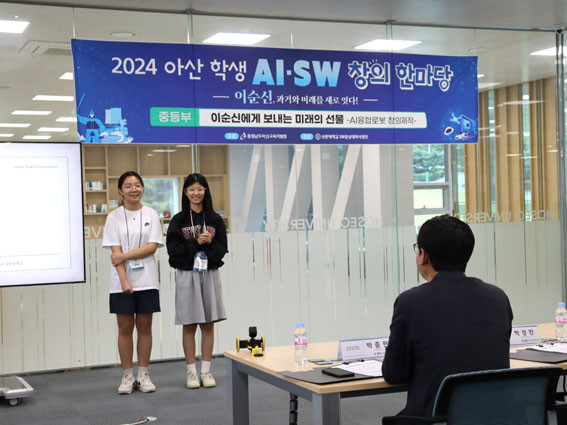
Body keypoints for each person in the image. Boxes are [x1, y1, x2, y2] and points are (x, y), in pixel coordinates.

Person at [381, 215, 513, 423]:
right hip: (491, 417)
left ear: (423, 255)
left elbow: (394, 374)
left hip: (436, 419)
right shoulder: (497, 297)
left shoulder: (411, 302)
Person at [102, 171, 164, 394]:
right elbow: (115, 253)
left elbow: (152, 247)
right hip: (121, 282)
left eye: (137, 185)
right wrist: (124, 280)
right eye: (128, 186)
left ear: (142, 189)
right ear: (120, 191)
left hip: (147, 280)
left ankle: (143, 375)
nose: (134, 189)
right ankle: (127, 376)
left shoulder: (151, 214)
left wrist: (124, 256)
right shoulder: (113, 217)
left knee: (145, 327)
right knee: (125, 328)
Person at [166, 173, 228, 389]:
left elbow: (223, 251)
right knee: (189, 324)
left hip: (209, 274)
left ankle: (206, 371)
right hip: (187, 274)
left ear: (205, 191)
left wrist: (210, 243)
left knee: (208, 324)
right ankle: (191, 372)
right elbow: (173, 253)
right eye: (192, 189)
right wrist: (195, 243)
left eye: (200, 189)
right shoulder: (178, 220)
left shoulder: (215, 219)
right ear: (185, 192)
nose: (196, 193)